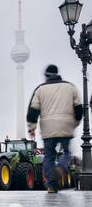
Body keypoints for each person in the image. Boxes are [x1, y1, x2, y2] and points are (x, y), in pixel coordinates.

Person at [27, 64, 83, 193]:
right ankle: (61, 168)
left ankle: (51, 185)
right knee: (66, 153)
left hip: (48, 129)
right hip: (66, 126)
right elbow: (79, 109)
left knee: (48, 156)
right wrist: (75, 123)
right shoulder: (70, 87)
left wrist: (32, 129)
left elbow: (32, 111)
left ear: (46, 75)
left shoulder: (40, 89)